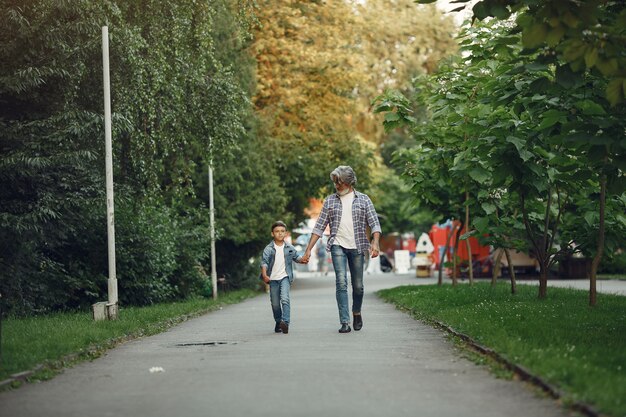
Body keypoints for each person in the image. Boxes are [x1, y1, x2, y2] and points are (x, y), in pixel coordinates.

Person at [302, 166, 381, 333]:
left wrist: (375, 242)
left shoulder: (364, 200)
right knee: (341, 282)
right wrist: (309, 249)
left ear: (349, 182)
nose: (336, 185)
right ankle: (345, 321)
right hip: (337, 245)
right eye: (335, 182)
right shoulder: (330, 201)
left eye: (340, 182)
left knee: (358, 286)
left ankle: (356, 312)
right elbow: (319, 227)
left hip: (358, 246)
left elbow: (374, 223)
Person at [260, 220, 304, 334]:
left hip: (285, 277)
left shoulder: (289, 247)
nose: (280, 233)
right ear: (272, 233)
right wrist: (265, 275)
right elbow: (264, 262)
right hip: (272, 279)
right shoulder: (268, 248)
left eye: (282, 231)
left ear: (286, 233)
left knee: (285, 299)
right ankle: (279, 322)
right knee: (275, 304)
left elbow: (297, 257)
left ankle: (286, 323)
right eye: (277, 231)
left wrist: (303, 259)